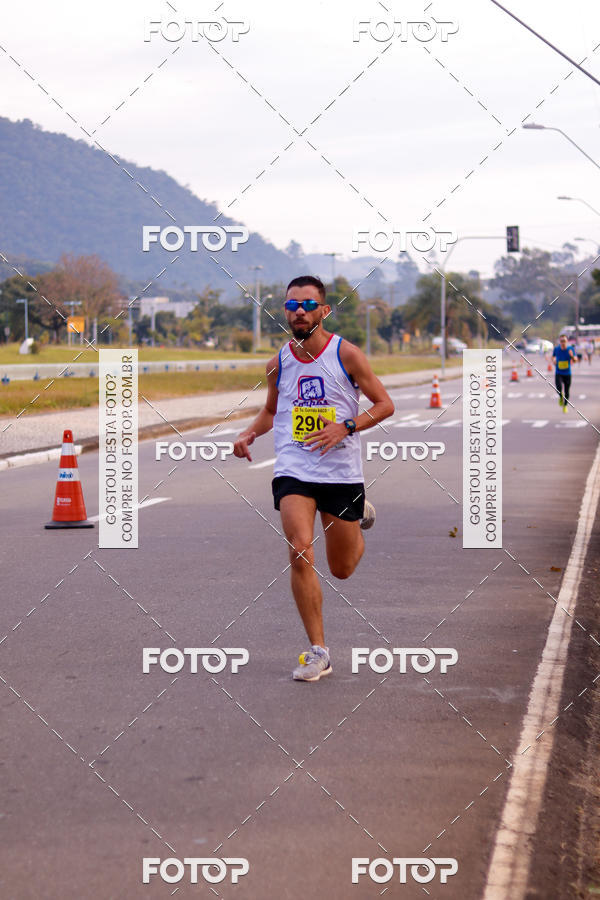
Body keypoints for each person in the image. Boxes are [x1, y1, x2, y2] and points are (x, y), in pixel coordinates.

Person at [233, 275, 394, 682]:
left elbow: (384, 404)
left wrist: (346, 426)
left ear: (324, 310)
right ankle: (318, 651)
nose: (299, 312)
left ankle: (360, 515)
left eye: (308, 305)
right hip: (295, 468)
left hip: (340, 472)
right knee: (300, 549)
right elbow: (272, 412)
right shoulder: (278, 364)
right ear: (285, 312)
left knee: (342, 569)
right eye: (292, 305)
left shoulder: (347, 355)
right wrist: (249, 433)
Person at [552, 333, 577, 412]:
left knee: (567, 391)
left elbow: (575, 360)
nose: (563, 343)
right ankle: (560, 397)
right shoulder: (556, 349)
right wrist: (554, 360)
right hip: (558, 372)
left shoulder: (570, 349)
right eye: (561, 341)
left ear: (567, 341)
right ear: (559, 341)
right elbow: (553, 357)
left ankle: (565, 405)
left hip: (567, 373)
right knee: (558, 388)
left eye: (564, 341)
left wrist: (572, 356)